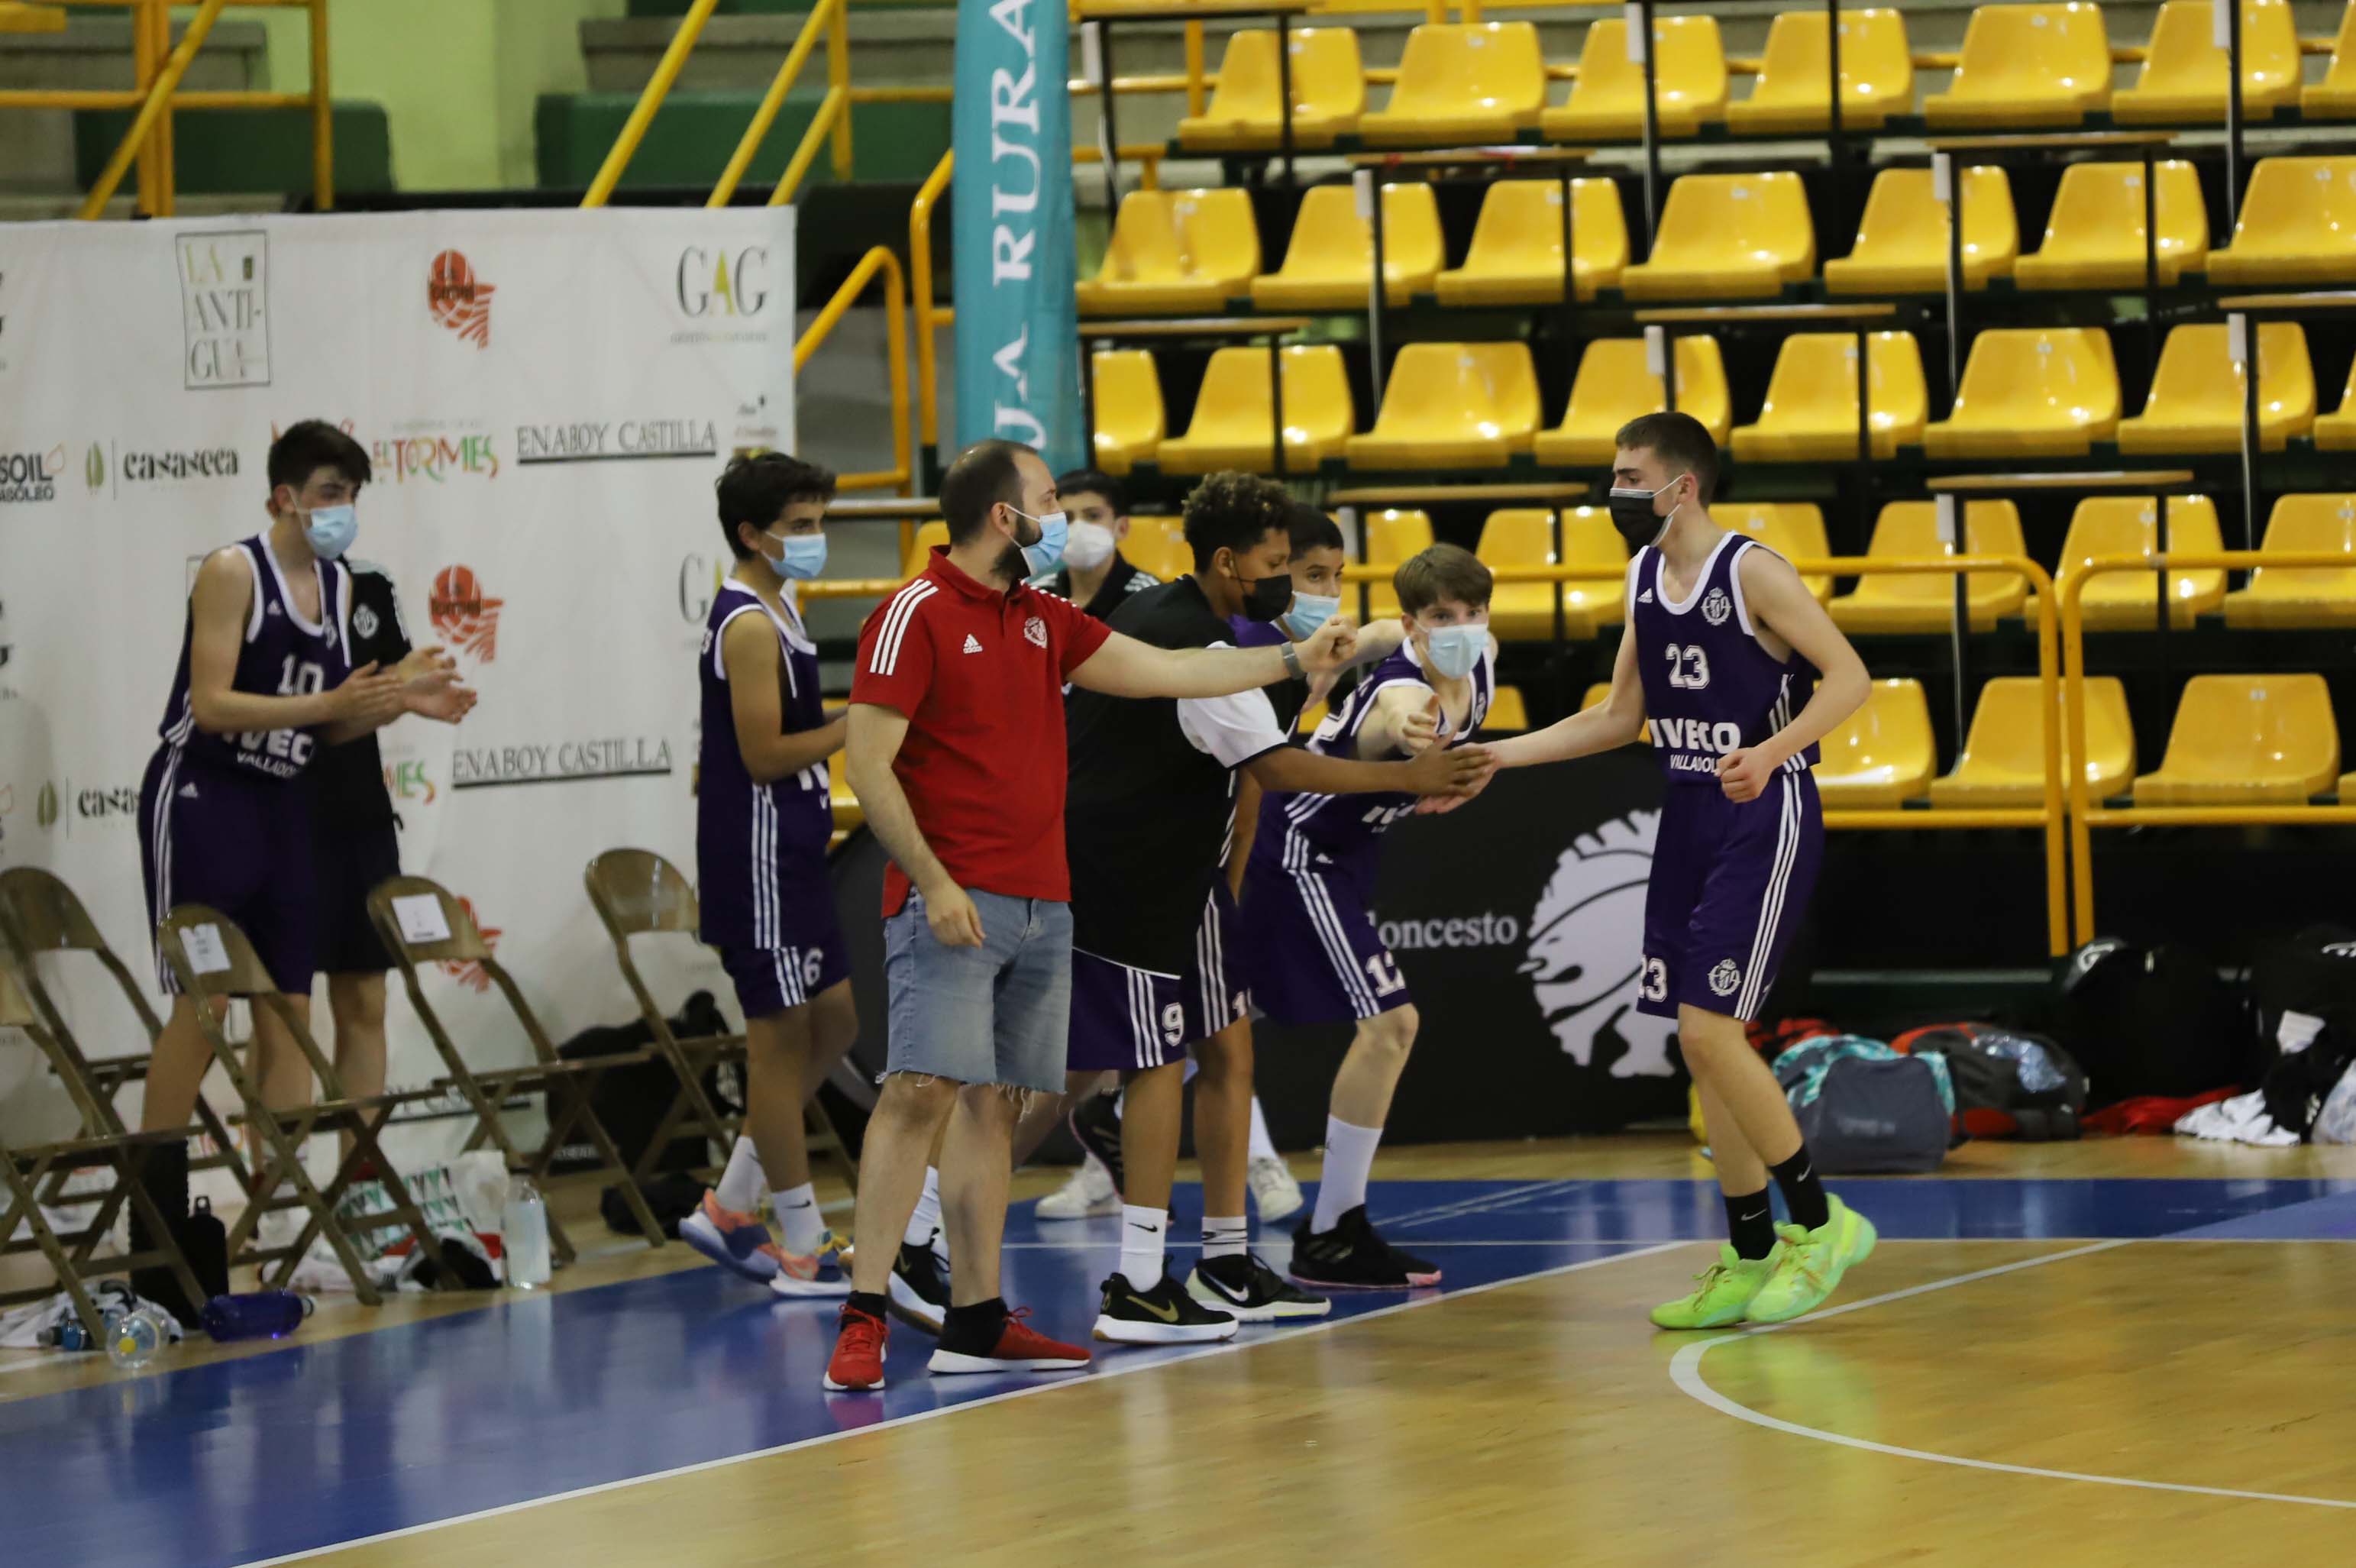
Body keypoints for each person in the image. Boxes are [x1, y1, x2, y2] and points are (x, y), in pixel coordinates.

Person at [824, 440, 1364, 1392]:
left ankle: (977, 1316)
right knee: (919, 1093)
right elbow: (868, 765)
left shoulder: (1043, 616)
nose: (1066, 520)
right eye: (1047, 501)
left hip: (1047, 898)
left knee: (1000, 1105)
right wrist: (937, 881)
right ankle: (865, 1310)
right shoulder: (912, 613)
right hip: (952, 901)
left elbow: (1163, 671)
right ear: (1004, 517)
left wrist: (1290, 655)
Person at [1475, 412, 1878, 1327]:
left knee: (1709, 1033)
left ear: (1680, 485)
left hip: (1761, 812)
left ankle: (1822, 1223)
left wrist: (1772, 749)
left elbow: (1849, 676)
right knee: (1699, 1048)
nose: (1613, 493)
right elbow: (1620, 717)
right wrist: (1498, 756)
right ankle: (1745, 1251)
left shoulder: (1753, 571)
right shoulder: (1644, 574)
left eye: (1627, 476)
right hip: (1689, 815)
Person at [131, 419, 470, 1319]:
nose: (341, 511)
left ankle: (283, 1225)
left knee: (288, 1014)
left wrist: (403, 701)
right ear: (283, 496)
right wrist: (337, 698)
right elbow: (209, 703)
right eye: (327, 494)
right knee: (203, 1009)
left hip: (283, 802)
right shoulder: (231, 570)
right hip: (205, 796)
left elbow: (329, 727)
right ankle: (152, 1225)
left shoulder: (341, 580)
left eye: (352, 495)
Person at [1030, 504, 1340, 1227]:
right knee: (1120, 1064)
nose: (1324, 591)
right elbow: (1274, 768)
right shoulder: (1215, 638)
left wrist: (1223, 884)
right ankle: (1135, 1269)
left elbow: (1250, 785)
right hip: (1125, 869)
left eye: (1336, 576)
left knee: (1220, 1051)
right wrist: (1413, 778)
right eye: (1305, 574)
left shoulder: (1221, 626)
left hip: (1182, 868)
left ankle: (1226, 1252)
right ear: (1247, 566)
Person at [1236, 540, 1502, 1289]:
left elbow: (1395, 638)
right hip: (1297, 847)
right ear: (1417, 627)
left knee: (1223, 1008)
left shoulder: (1478, 658)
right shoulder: (1402, 692)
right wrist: (1414, 732)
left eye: (1472, 612)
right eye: (1441, 617)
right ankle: (1334, 1228)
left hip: (1346, 856)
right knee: (1390, 1024)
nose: (1461, 626)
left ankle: (1107, 1096)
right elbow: (1396, 710)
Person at [679, 452, 860, 1297]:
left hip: (793, 850)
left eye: (819, 522)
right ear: (752, 535)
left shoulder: (780, 607)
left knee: (837, 1024)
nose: (815, 538)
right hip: (757, 857)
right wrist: (857, 722)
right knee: (778, 1048)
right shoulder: (748, 622)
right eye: (800, 526)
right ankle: (801, 1237)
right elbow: (762, 755)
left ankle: (732, 1201)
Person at [1032, 468, 1158, 619]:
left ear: (1122, 528)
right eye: (1067, 518)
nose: (1078, 527)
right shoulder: (1038, 594)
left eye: (1093, 516)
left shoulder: (1148, 595)